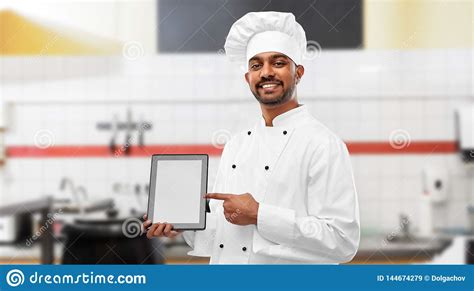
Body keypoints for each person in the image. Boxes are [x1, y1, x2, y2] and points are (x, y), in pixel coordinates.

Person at [143, 11, 360, 264]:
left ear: (298, 72)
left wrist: (260, 214)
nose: (266, 72)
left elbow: (343, 241)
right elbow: (225, 237)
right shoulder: (237, 144)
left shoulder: (323, 144)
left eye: (278, 63)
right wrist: (183, 225)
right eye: (256, 65)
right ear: (248, 78)